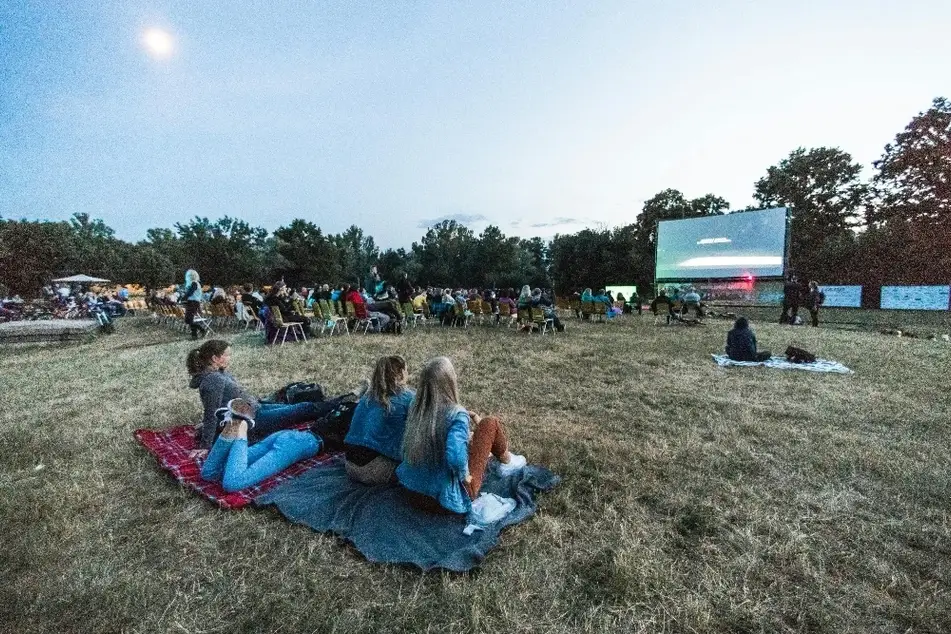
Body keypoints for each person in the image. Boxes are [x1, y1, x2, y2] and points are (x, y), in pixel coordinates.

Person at [396, 357, 526, 515]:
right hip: (443, 501)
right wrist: (466, 477)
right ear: (450, 381)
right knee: (490, 423)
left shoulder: (416, 407)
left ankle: (503, 459)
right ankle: (508, 462)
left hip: (411, 491)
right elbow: (455, 457)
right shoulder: (456, 414)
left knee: (472, 440)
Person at [187, 340, 354, 450]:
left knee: (295, 407)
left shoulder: (219, 373)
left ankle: (343, 400)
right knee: (302, 408)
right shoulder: (212, 380)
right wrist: (205, 446)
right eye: (227, 355)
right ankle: (347, 401)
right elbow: (211, 412)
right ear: (215, 358)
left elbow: (220, 404)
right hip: (253, 419)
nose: (230, 358)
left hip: (255, 407)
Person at [344, 355, 415, 485]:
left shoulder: (367, 397)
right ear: (401, 373)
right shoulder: (408, 397)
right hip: (374, 469)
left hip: (349, 464)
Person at [183, 269, 206, 340]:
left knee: (189, 319)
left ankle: (201, 330)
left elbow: (190, 292)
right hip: (193, 302)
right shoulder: (194, 283)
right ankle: (194, 335)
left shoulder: (194, 283)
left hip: (193, 302)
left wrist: (183, 298)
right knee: (189, 319)